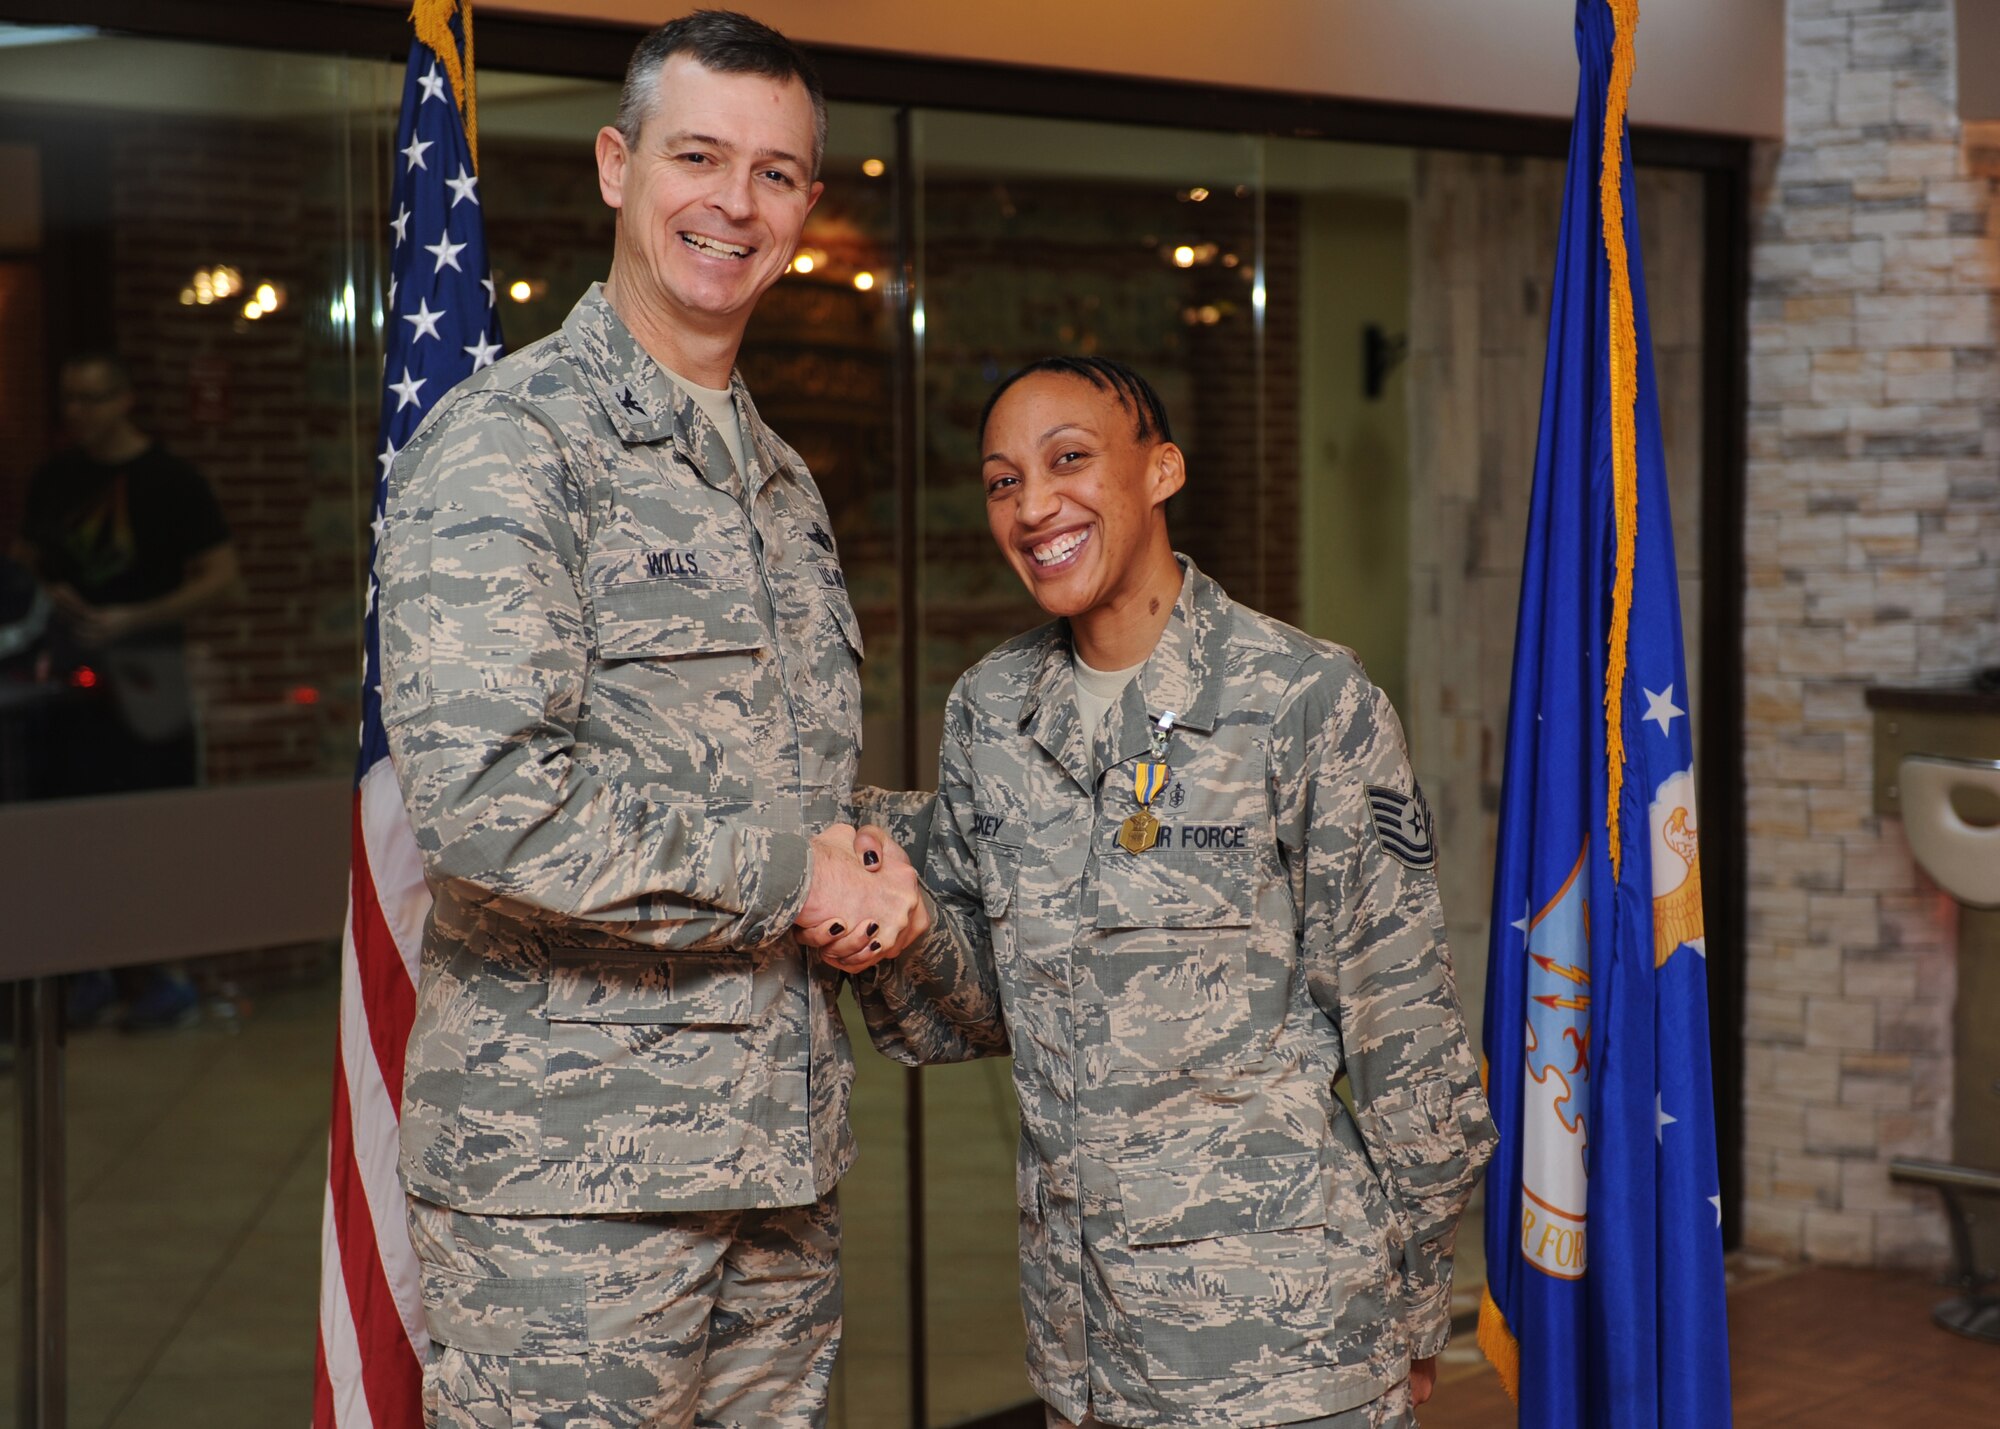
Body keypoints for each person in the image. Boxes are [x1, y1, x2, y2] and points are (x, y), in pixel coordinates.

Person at [375, 12, 928, 1427]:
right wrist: (791, 874)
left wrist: (873, 866)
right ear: (618, 166)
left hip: (775, 1170)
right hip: (573, 1195)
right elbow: (492, 796)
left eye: (777, 174)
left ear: (809, 203)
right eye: (698, 155)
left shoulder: (781, 482)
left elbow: (781, 787)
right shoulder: (515, 443)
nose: (734, 204)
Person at [850, 358, 1497, 1428]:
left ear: (1159, 470)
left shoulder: (1304, 701)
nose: (1033, 505)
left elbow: (1405, 1033)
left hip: (1286, 1350)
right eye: (1001, 480)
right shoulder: (991, 712)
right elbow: (976, 1015)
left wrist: (1412, 1306)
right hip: (1083, 1353)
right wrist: (904, 931)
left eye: (1068, 460)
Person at [17, 350, 239, 1030]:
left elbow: (221, 574)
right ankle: (90, 968)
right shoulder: (55, 478)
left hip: (150, 671)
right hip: (69, 675)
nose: (77, 414)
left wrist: (133, 617)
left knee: (155, 818)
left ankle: (159, 974)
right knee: (74, 815)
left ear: (124, 400)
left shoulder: (170, 479)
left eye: (90, 399)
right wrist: (48, 596)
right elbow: (26, 559)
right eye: (69, 400)